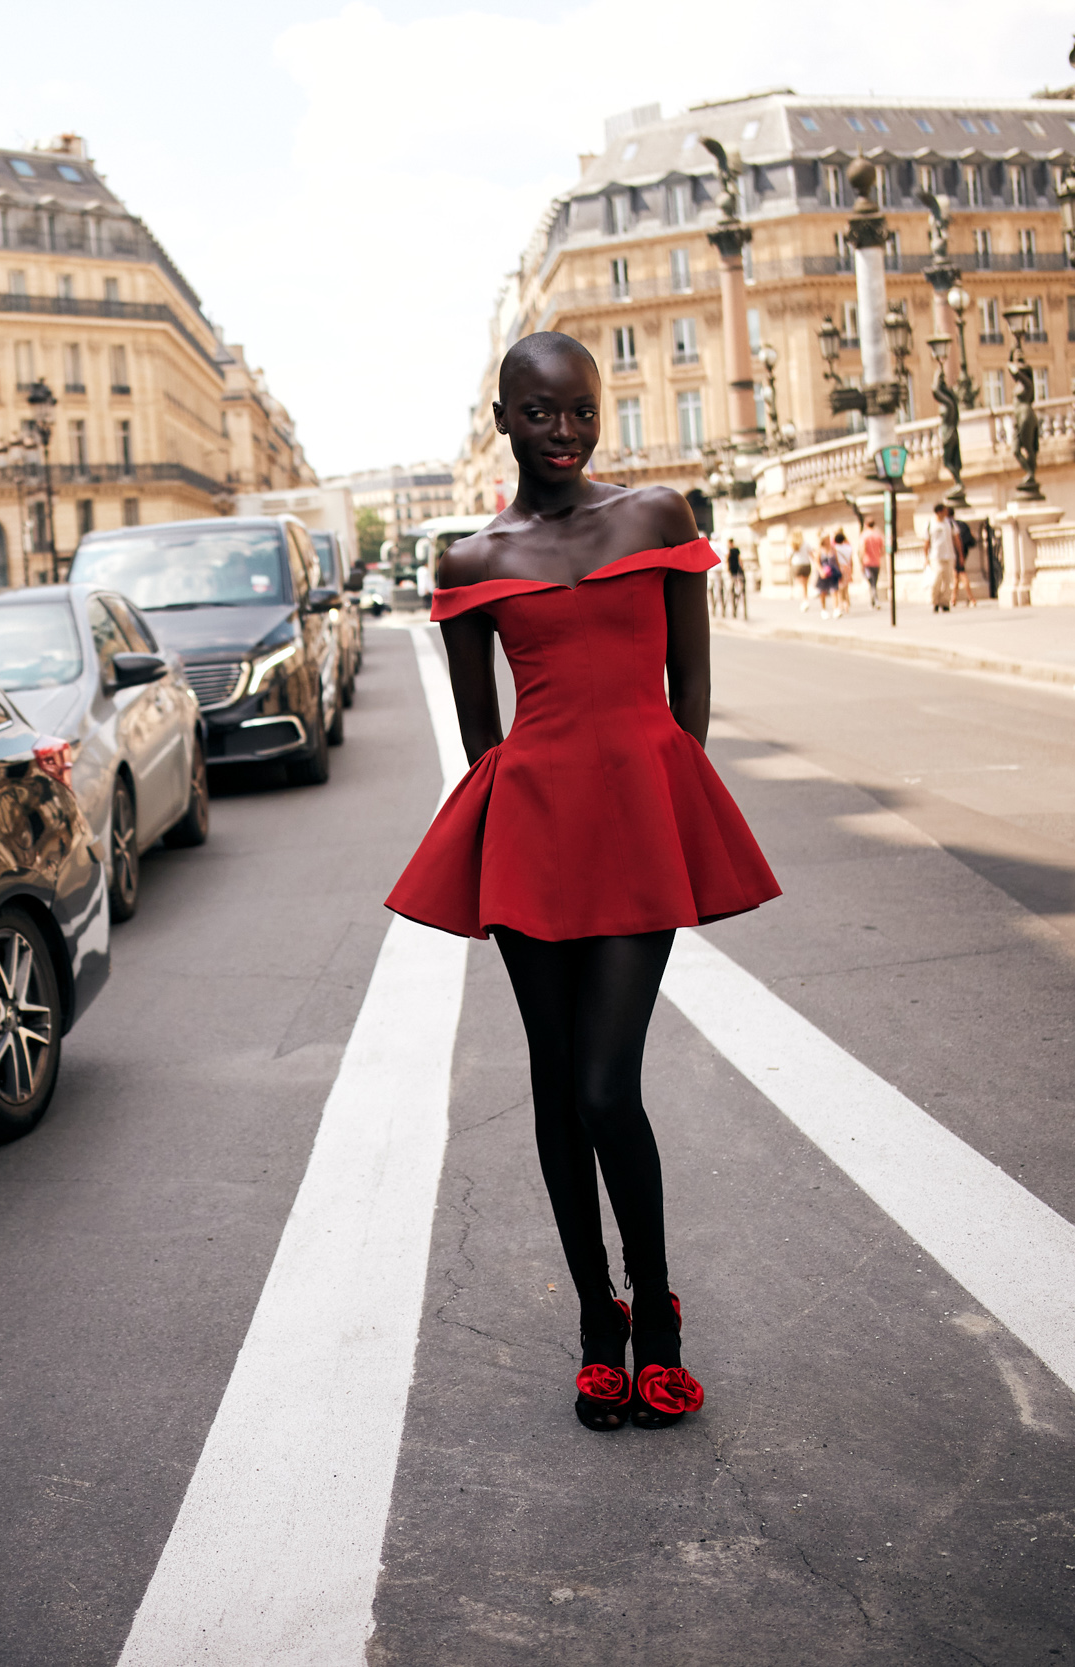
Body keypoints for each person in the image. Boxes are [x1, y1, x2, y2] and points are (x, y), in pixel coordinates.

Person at [386, 331, 778, 1433]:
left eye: (580, 412)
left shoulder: (658, 516)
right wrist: (533, 809)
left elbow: (689, 684)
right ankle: (594, 1325)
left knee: (607, 1085)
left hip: (639, 821)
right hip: (535, 832)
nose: (563, 432)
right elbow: (481, 740)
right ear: (502, 418)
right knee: (557, 1089)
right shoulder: (471, 560)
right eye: (541, 413)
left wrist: (667, 791)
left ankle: (657, 1317)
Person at [925, 502, 960, 612]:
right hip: (935, 556)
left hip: (949, 555)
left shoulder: (950, 523)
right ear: (939, 512)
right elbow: (926, 542)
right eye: (944, 510)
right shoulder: (930, 523)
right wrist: (926, 557)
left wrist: (960, 554)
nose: (946, 512)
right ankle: (935, 601)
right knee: (936, 579)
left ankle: (945, 602)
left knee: (947, 580)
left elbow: (956, 539)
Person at [860, 515, 885, 608]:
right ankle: (873, 601)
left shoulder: (864, 535)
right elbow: (883, 550)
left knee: (872, 583)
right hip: (876, 562)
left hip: (867, 562)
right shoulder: (878, 535)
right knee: (874, 582)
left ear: (866, 525)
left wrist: (861, 562)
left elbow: (862, 549)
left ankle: (876, 601)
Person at [790, 530, 814, 609]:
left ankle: (803, 601)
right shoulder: (806, 543)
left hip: (797, 565)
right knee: (805, 584)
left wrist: (790, 566)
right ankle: (805, 599)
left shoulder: (792, 544)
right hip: (806, 565)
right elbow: (811, 554)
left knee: (800, 584)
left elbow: (788, 557)